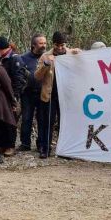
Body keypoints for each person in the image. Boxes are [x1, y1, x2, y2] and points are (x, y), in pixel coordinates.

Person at [35, 31, 81, 159]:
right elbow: (37, 76)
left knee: (65, 122)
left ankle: (65, 150)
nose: (60, 48)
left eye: (62, 45)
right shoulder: (45, 56)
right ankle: (45, 148)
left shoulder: (72, 53)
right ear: (53, 43)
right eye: (57, 45)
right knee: (47, 123)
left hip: (67, 95)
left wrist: (80, 54)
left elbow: (86, 64)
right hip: (50, 94)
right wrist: (46, 65)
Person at [0, 36, 27, 157]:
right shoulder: (2, 59)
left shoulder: (14, 59)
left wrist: (15, 98)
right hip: (2, 96)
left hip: (12, 95)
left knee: (11, 121)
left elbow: (19, 80)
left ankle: (10, 146)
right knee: (2, 120)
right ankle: (1, 144)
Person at [19, 33, 46, 153]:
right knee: (26, 118)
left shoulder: (47, 57)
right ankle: (25, 143)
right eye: (41, 43)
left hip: (43, 93)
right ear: (33, 45)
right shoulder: (23, 58)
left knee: (42, 119)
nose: (43, 45)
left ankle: (41, 144)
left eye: (45, 43)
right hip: (28, 93)